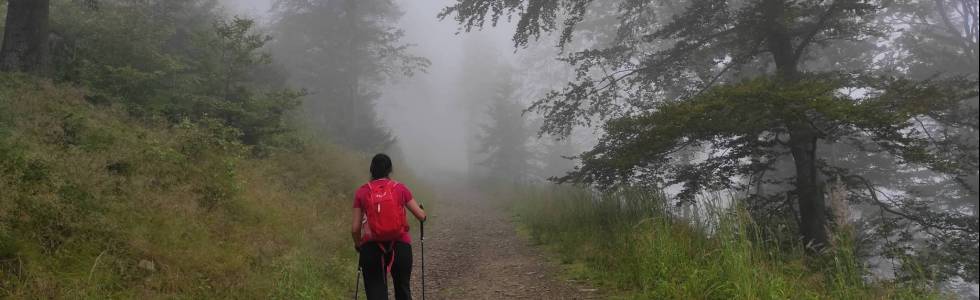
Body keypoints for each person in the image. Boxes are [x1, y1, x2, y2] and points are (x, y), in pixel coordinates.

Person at [352, 153, 426, 300]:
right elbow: (420, 216)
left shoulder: (362, 192)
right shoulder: (400, 188)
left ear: (371, 170)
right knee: (402, 288)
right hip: (400, 245)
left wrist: (358, 244)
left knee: (375, 291)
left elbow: (355, 228)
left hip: (371, 248)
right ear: (389, 170)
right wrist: (423, 212)